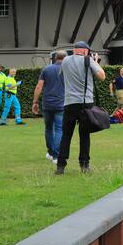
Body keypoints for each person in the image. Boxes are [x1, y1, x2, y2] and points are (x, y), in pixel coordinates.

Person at [57, 41, 106, 175]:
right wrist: (95, 62)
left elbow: (61, 75)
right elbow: (102, 76)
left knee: (66, 134)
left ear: (74, 50)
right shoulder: (88, 60)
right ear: (85, 51)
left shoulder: (65, 60)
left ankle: (61, 166)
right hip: (86, 102)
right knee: (84, 135)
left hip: (69, 103)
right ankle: (84, 165)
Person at [33, 51, 65, 163]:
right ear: (65, 58)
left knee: (48, 128)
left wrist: (35, 102)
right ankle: (56, 156)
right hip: (61, 104)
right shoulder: (68, 69)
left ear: (55, 58)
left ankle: (51, 153)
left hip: (47, 104)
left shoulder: (46, 69)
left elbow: (39, 87)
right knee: (59, 129)